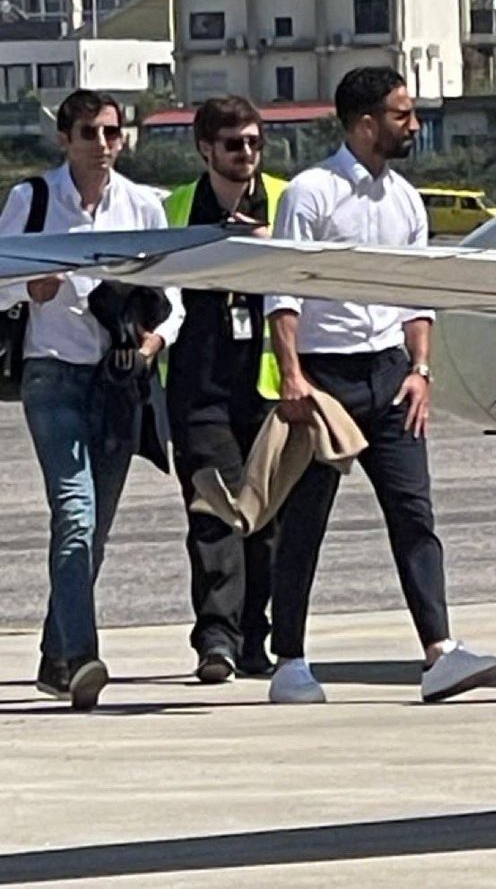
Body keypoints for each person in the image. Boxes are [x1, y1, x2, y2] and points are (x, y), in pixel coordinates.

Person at [266, 66, 496, 704]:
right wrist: (293, 378)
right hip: (326, 378)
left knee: (414, 513)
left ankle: (440, 652)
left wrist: (421, 370)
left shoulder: (404, 199)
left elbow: (415, 293)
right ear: (365, 122)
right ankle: (288, 660)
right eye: (403, 115)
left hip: (390, 377)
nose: (415, 126)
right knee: (305, 521)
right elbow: (282, 290)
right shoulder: (310, 194)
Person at [0, 90, 183, 711]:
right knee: (73, 514)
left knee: (95, 528)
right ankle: (82, 656)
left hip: (118, 379)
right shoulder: (33, 200)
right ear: (64, 138)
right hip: (51, 372)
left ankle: (55, 658)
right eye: (88, 132)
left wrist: (156, 339)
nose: (101, 144)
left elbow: (171, 292)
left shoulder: (142, 205)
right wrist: (31, 286)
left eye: (111, 132)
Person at [164, 97, 287, 683]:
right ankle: (215, 641)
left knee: (264, 521)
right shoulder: (176, 209)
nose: (246, 155)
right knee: (213, 512)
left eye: (254, 143)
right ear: (205, 149)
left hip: (268, 386)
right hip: (200, 385)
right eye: (234, 144)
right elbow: (146, 293)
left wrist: (263, 241)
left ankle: (254, 640)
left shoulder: (287, 201)